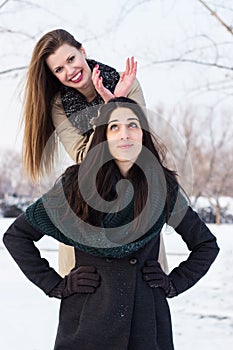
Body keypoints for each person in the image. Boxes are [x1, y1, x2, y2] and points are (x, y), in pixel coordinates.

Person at [4, 97, 219, 350]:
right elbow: (17, 236)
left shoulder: (161, 187)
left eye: (133, 125)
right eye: (114, 127)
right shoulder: (75, 185)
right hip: (88, 319)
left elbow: (206, 245)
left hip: (145, 321)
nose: (124, 134)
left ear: (143, 133)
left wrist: (173, 283)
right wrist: (55, 284)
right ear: (103, 136)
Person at [21, 28, 168, 277]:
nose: (70, 71)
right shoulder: (59, 105)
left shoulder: (126, 83)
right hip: (86, 201)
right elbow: (82, 155)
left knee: (144, 292)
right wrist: (112, 107)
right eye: (58, 70)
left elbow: (132, 144)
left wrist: (117, 99)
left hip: (132, 193)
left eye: (71, 59)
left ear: (82, 52)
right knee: (87, 295)